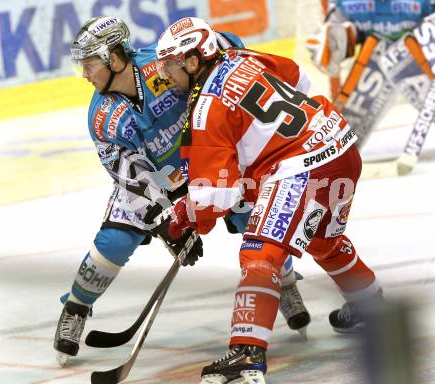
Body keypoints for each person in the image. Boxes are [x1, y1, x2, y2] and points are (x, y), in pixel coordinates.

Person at [53, 16, 309, 367]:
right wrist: (165, 221)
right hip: (154, 181)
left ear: (113, 58)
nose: (84, 74)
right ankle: (77, 306)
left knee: (254, 212)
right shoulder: (101, 116)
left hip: (204, 157)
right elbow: (129, 174)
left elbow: (224, 49)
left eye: (89, 63)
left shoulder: (164, 66)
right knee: (115, 241)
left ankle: (287, 283)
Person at [155, 16, 383, 384]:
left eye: (171, 64)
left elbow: (217, 196)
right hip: (339, 143)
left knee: (260, 251)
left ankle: (247, 354)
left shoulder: (205, 108)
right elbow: (297, 77)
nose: (165, 75)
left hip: (301, 167)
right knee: (324, 241)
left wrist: (185, 217)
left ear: (195, 60)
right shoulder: (243, 57)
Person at [306, 0, 435, 173]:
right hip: (375, 64)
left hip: (420, 60)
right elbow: (337, 33)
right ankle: (338, 149)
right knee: (341, 146)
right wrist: (335, 42)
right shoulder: (345, 3)